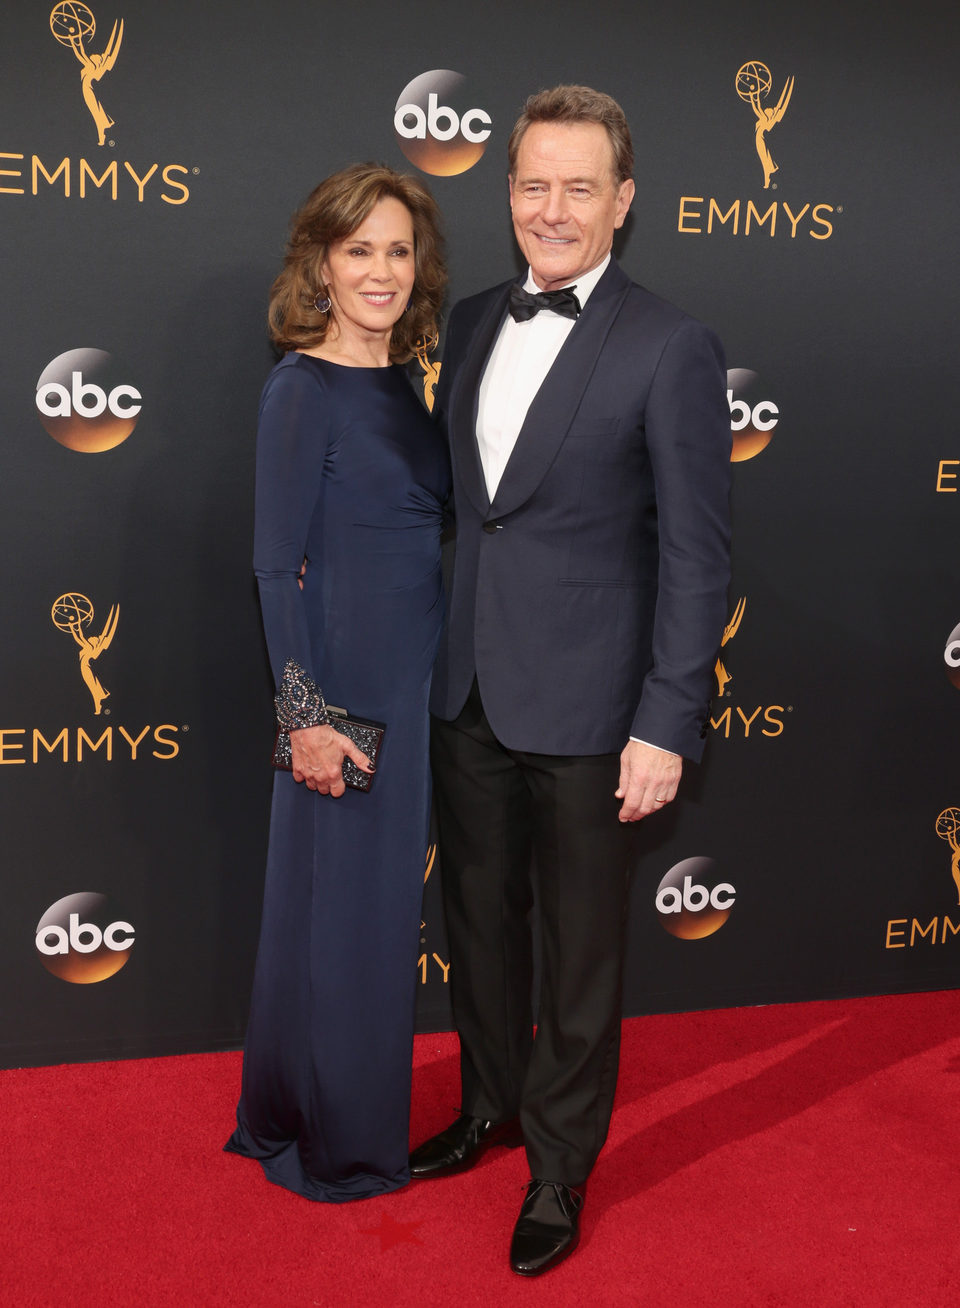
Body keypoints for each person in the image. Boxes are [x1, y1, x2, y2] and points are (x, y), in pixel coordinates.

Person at [409, 86, 732, 1274]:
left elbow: (699, 555)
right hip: (471, 688)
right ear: (508, 193)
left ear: (624, 200)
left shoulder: (669, 344)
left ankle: (559, 1167)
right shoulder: (474, 323)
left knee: (582, 950)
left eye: (579, 186)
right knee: (480, 924)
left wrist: (668, 717)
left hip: (599, 711)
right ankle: (489, 1105)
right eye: (533, 183)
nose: (553, 208)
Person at [225, 164, 449, 1202]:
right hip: (343, 698)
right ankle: (341, 1144)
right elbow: (275, 567)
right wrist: (305, 721)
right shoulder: (300, 387)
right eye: (360, 249)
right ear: (321, 261)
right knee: (345, 921)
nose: (381, 270)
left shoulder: (406, 389)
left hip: (414, 686)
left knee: (363, 918)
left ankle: (304, 1106)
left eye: (398, 250)